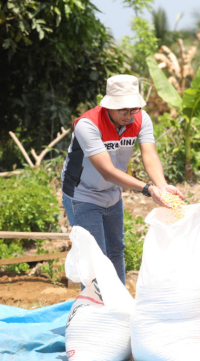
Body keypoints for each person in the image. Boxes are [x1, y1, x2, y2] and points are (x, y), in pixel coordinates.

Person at [61, 74, 183, 284]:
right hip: (83, 195)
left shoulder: (141, 118)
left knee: (116, 249)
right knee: (94, 256)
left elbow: (149, 155)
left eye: (133, 109)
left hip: (112, 193)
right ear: (109, 105)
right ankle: (97, 311)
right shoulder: (88, 124)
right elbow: (107, 171)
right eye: (123, 110)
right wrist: (147, 188)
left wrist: (162, 186)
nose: (129, 115)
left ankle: (119, 307)